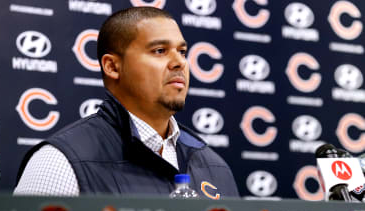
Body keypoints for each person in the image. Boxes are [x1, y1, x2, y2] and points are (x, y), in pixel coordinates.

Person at [14, 6, 239, 199]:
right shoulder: (59, 162)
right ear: (112, 66)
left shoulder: (214, 167)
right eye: (160, 51)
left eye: (182, 51)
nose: (179, 62)